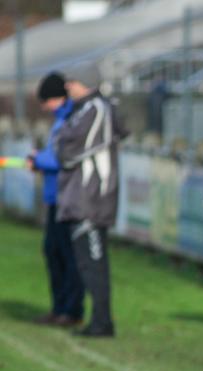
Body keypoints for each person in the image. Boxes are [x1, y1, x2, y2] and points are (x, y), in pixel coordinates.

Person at [55, 62, 128, 337]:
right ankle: (98, 320)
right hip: (80, 199)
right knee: (85, 262)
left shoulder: (96, 109)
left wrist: (61, 147)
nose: (67, 86)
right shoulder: (83, 109)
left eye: (72, 81)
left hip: (92, 200)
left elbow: (70, 149)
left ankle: (102, 322)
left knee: (94, 263)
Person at [27, 72, 83, 327]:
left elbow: (63, 157)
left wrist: (38, 160)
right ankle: (59, 307)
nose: (43, 107)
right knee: (53, 252)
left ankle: (71, 311)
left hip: (68, 199)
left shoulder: (71, 120)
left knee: (67, 255)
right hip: (54, 197)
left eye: (45, 101)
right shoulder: (60, 121)